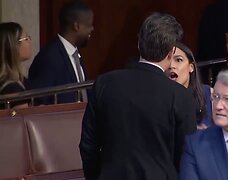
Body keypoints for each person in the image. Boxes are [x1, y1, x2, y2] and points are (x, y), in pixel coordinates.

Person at [79, 12, 197, 180]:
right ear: (170, 54)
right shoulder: (180, 96)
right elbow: (185, 158)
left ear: (139, 44)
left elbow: (88, 145)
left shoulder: (105, 83)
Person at [27, 0, 94, 104]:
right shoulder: (49, 57)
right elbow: (39, 102)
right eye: (89, 25)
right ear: (77, 26)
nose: (92, 29)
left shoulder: (75, 55)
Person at [165, 42, 213, 129]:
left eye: (178, 60)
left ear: (191, 67)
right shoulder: (158, 99)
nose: (171, 66)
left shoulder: (210, 94)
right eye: (167, 60)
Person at [0, 22, 32, 108]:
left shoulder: (21, 79)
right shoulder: (11, 89)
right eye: (26, 38)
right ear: (13, 46)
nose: (30, 41)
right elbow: (23, 119)